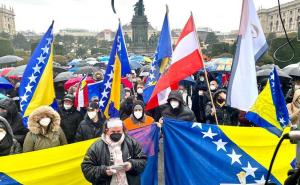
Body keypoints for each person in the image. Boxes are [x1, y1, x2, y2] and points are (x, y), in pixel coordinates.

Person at [81, 118, 147, 185]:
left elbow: (143, 161)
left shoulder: (132, 143)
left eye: (119, 131)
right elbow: (87, 169)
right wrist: (104, 171)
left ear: (123, 130)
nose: (116, 134)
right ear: (106, 131)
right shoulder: (95, 147)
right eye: (113, 132)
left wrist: (131, 165)